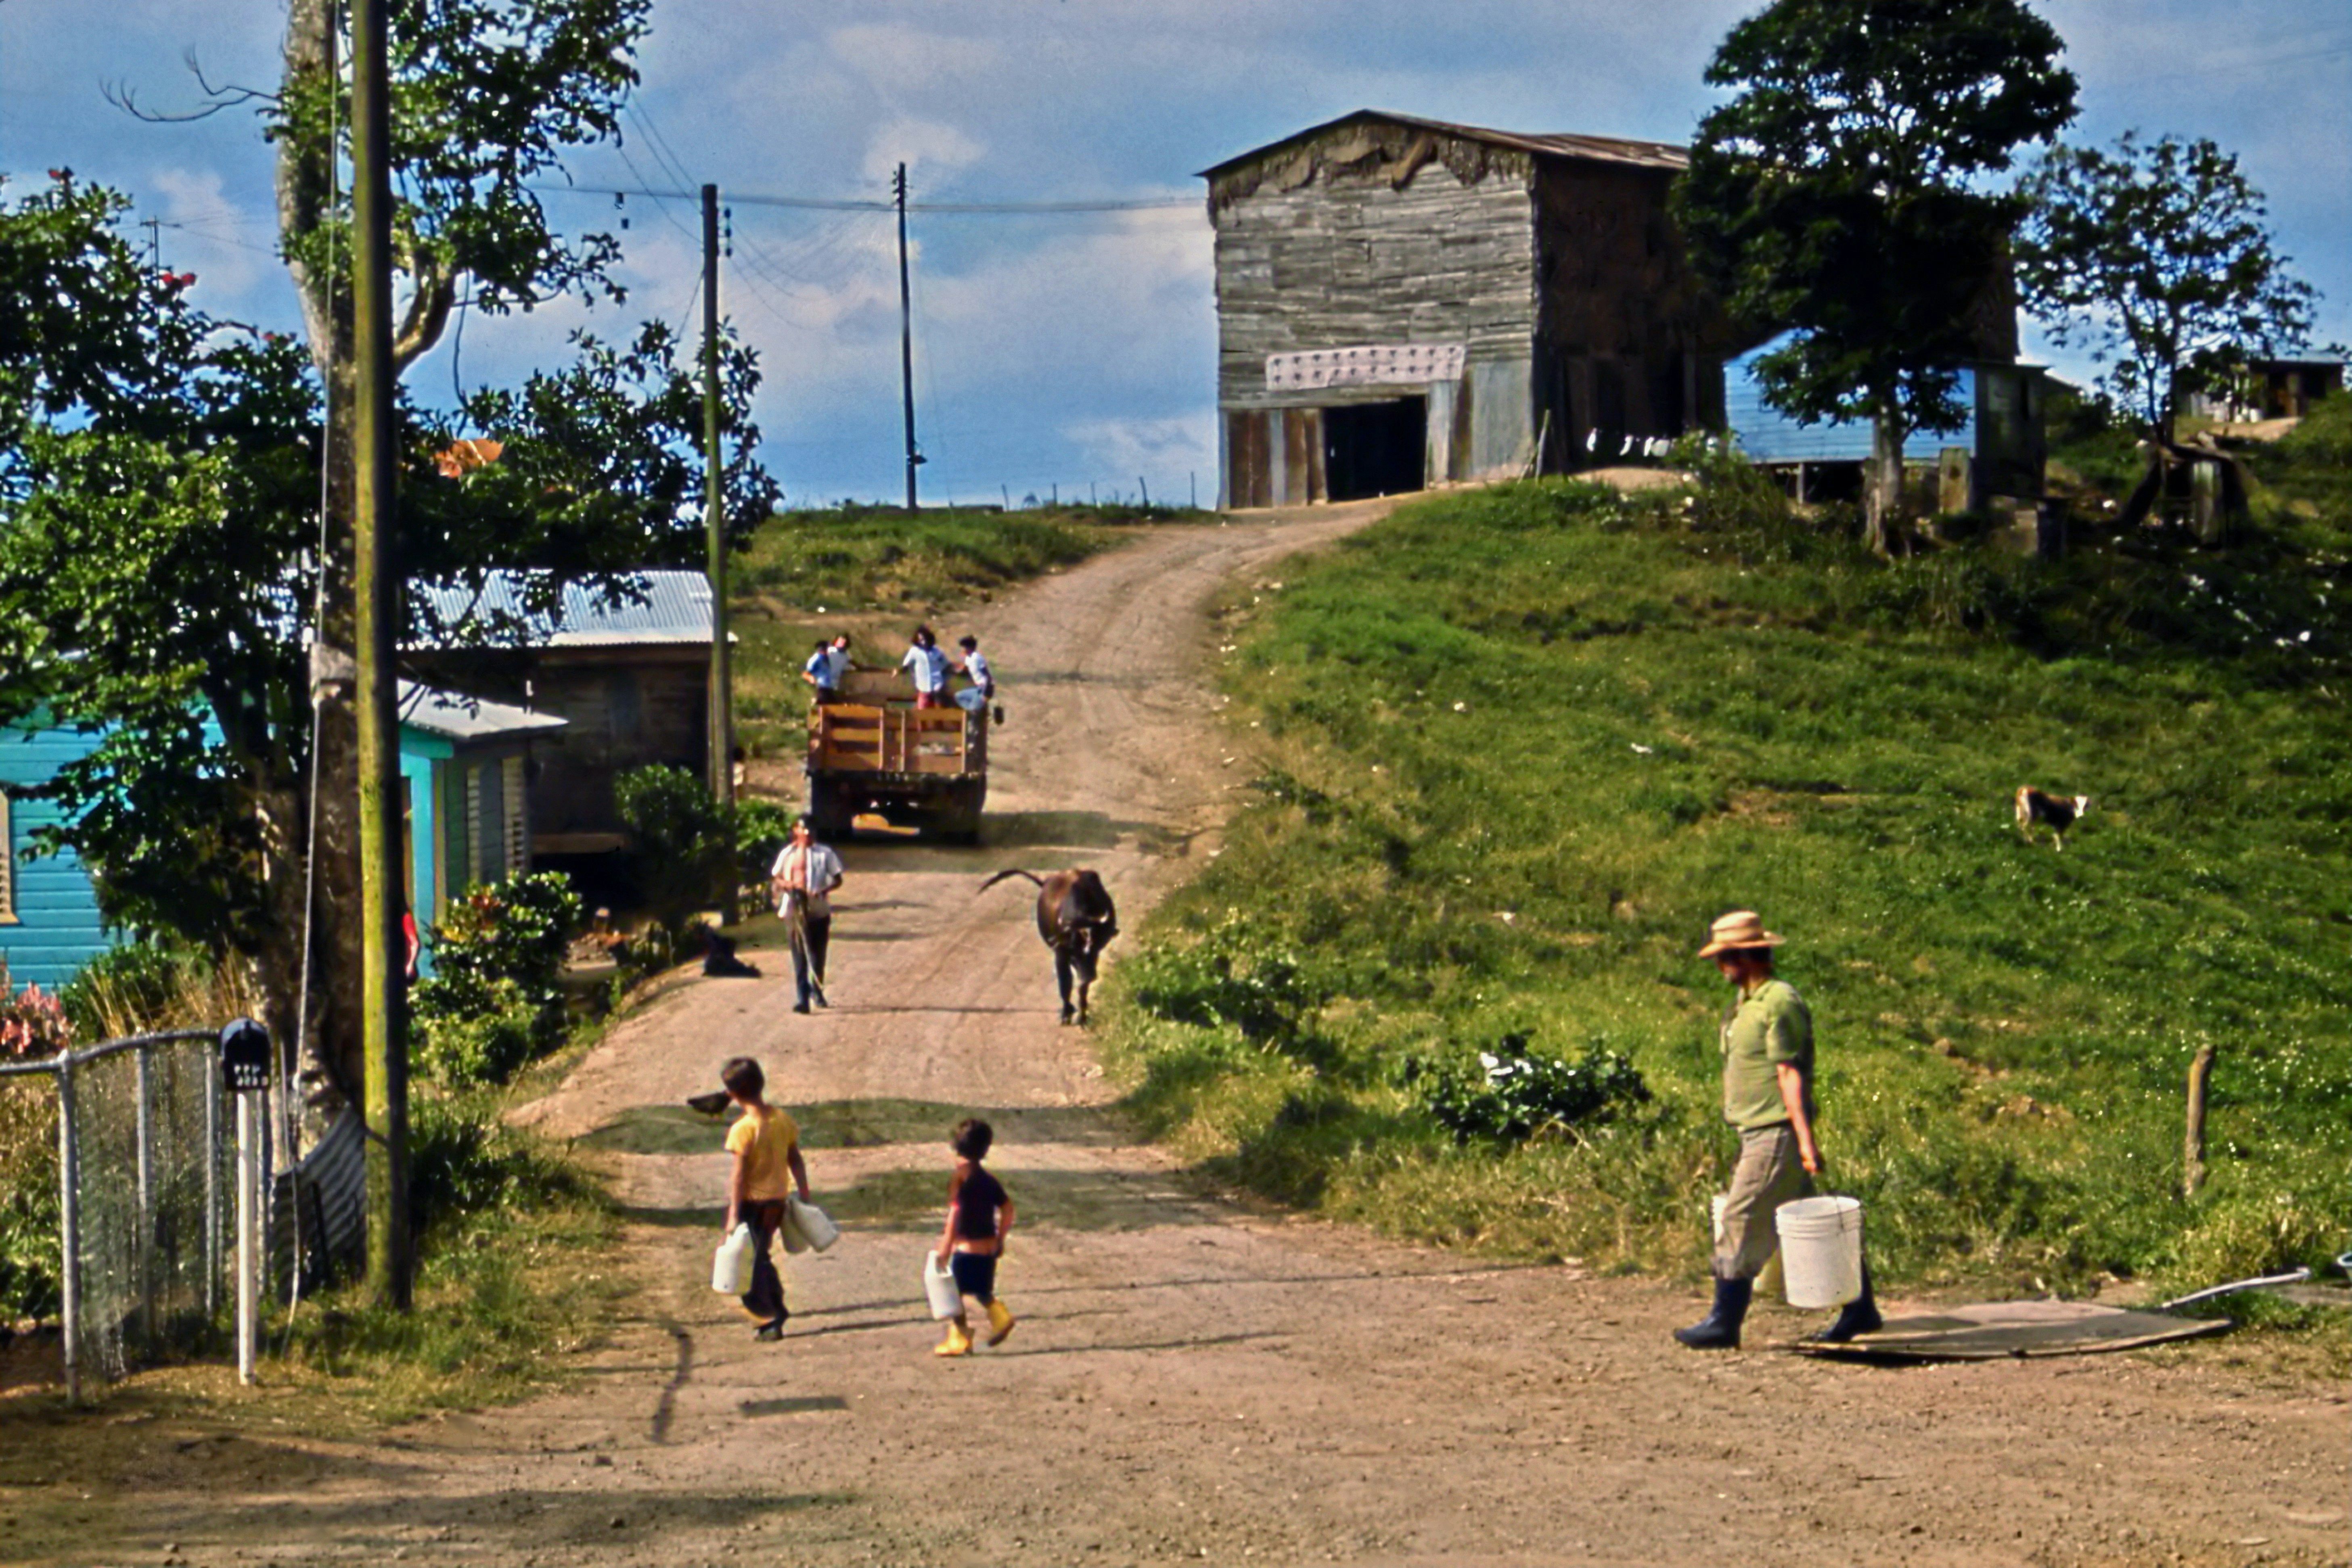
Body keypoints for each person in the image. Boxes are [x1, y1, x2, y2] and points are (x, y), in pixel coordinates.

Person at [1675, 909, 1881, 1350]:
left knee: (1739, 1216)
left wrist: (1805, 1141)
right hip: (1756, 1130)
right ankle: (1860, 1306)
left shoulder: (1779, 1001)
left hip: (1775, 1131)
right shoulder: (1746, 1005)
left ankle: (1723, 1322)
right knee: (1814, 1220)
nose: (1719, 967)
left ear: (1745, 955)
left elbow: (1790, 1073)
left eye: (1725, 957)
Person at [719, 1055, 810, 1342]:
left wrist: (734, 1214)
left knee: (748, 1264)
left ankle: (768, 1317)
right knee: (761, 1256)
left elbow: (739, 1176)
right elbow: (796, 1159)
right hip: (777, 1202)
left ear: (733, 1094)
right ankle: (778, 1307)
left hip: (752, 1204)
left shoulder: (743, 1130)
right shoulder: (782, 1120)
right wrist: (804, 1193)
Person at [933, 1117, 1016, 1357]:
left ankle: (960, 1337)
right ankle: (1001, 1317)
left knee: (953, 1296)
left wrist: (945, 1249)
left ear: (957, 1147)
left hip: (966, 1250)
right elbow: (1008, 1209)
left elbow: (955, 1215)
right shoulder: (989, 1181)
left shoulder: (960, 1178)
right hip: (988, 1249)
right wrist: (1001, 1238)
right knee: (982, 1292)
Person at [769, 814, 845, 1014]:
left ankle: (817, 989)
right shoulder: (788, 854)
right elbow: (776, 877)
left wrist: (824, 889)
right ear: (796, 830)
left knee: (817, 954)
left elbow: (838, 878)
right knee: (799, 955)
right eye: (804, 829)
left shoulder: (824, 853)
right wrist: (787, 885)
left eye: (811, 829)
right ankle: (802, 999)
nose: (808, 833)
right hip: (795, 909)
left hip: (818, 909)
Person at [950, 633, 1001, 722]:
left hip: (984, 689)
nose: (962, 650)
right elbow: (964, 670)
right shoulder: (968, 659)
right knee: (959, 696)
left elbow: (988, 676)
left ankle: (979, 711)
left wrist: (986, 694)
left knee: (976, 712)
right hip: (978, 690)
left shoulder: (978, 658)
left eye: (963, 647)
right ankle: (973, 710)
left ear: (969, 648)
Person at [900, 625, 950, 709]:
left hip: (937, 686)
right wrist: (900, 671)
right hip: (923, 687)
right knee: (922, 711)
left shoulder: (937, 651)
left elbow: (946, 664)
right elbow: (906, 665)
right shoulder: (915, 651)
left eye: (926, 639)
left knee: (939, 712)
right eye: (921, 640)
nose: (924, 642)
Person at [802, 638, 842, 705]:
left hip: (833, 688)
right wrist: (811, 679)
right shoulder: (816, 659)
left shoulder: (830, 658)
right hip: (823, 688)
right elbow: (806, 674)